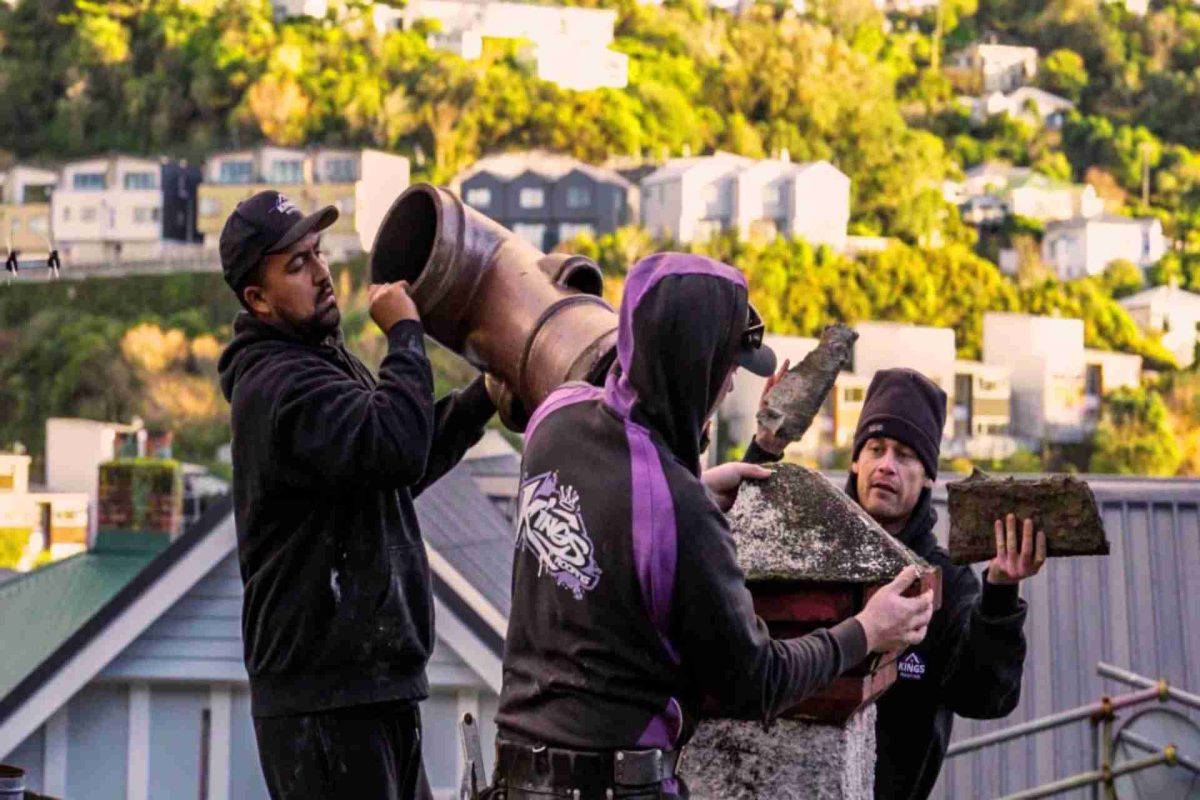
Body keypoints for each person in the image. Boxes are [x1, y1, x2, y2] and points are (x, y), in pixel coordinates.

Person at [492, 253, 935, 799]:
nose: (728, 387)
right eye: (727, 367)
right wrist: (867, 630)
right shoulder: (680, 511)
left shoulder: (555, 419)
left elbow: (611, 511)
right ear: (696, 369)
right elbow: (758, 681)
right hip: (614, 785)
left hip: (514, 777)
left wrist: (693, 491)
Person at [216, 190, 496, 800]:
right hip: (326, 703)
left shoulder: (319, 362)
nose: (321, 274)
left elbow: (391, 467)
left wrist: (482, 400)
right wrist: (406, 334)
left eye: (318, 253)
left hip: (372, 689)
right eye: (297, 265)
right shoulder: (280, 387)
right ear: (257, 299)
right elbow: (394, 445)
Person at [747, 366, 1047, 800]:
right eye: (876, 448)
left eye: (905, 455)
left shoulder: (947, 581)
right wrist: (764, 448)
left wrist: (1000, 592)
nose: (886, 465)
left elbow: (985, 698)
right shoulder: (809, 548)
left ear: (928, 477)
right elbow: (731, 545)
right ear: (856, 460)